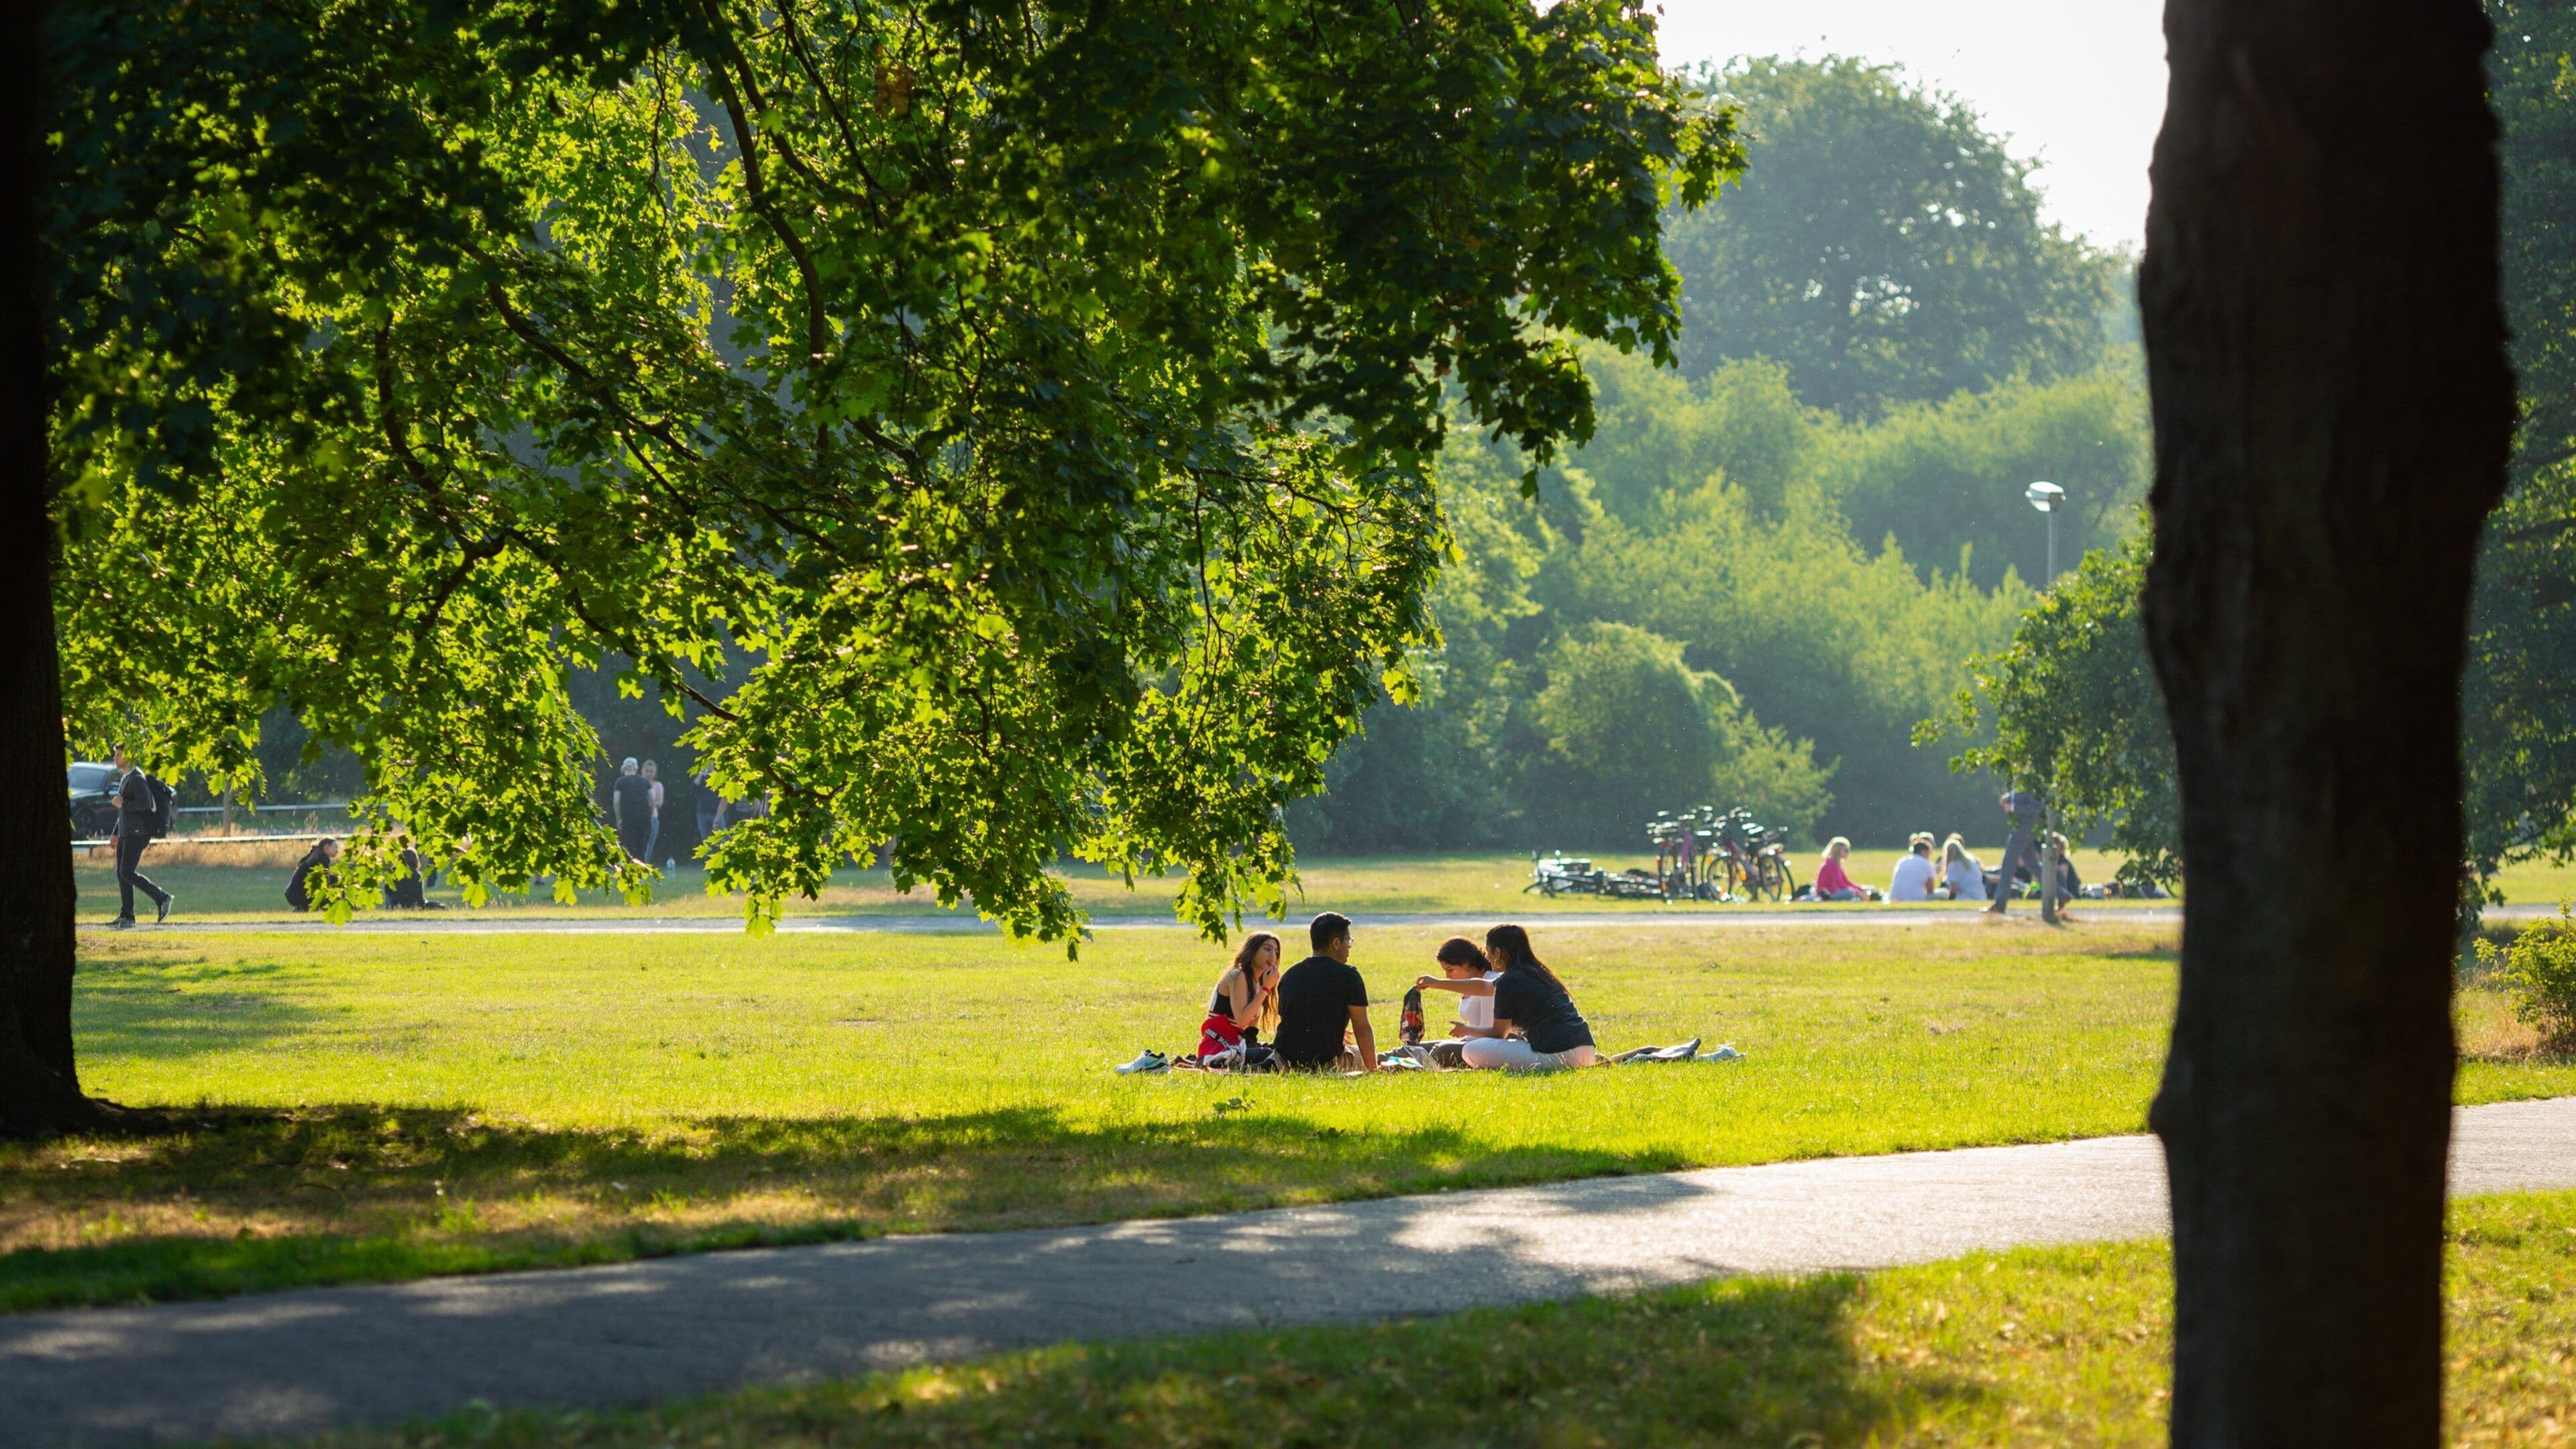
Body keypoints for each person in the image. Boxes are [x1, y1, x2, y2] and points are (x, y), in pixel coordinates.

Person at [1460, 924, 1595, 1070]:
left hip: (1556, 1054)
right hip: (1587, 1049)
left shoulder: (1509, 981)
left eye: (1488, 952)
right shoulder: (1537, 972)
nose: (1487, 957)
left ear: (1498, 952)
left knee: (1470, 1050)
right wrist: (1437, 983)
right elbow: (1483, 987)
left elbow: (1498, 1033)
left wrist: (1466, 1030)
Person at [1272, 912, 1376, 1072]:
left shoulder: (1289, 975)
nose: (1349, 946)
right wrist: (1373, 1069)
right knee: (1364, 1055)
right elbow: (1362, 1029)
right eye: (1348, 940)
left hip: (1284, 1063)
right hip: (1326, 1064)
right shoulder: (1349, 976)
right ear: (1336, 943)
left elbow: (1293, 1023)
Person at [1410, 936, 1505, 1069]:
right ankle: (1380, 1060)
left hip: (1485, 1048)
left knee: (1440, 1051)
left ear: (1466, 964)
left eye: (1450, 970)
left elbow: (1493, 1034)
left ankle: (1419, 1066)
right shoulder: (1466, 985)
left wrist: (1466, 1031)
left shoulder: (1490, 982)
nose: (1448, 977)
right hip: (1471, 1043)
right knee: (1414, 1049)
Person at [109, 747, 172, 927]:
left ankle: (162, 898)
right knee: (122, 874)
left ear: (128, 756)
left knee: (126, 872)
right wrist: (115, 833)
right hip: (126, 833)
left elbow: (144, 803)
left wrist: (123, 803)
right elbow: (124, 811)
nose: (115, 758)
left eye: (118, 755)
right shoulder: (126, 778)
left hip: (138, 833)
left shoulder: (136, 778)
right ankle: (127, 915)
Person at [1200, 931, 1283, 1061]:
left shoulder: (1260, 982)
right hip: (1220, 1048)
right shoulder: (1239, 976)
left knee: (1283, 1051)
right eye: (1267, 949)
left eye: (1276, 952)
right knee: (1273, 1056)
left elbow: (1250, 1030)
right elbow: (1242, 1020)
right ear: (1253, 951)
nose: (1272, 955)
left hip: (1239, 1044)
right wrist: (1266, 988)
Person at [1985, 786, 2045, 916]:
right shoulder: (2019, 774)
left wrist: (2012, 807)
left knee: (2007, 866)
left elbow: (2036, 806)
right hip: (2021, 829)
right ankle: (2061, 893)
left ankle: (2000, 904)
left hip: (2024, 830)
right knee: (2034, 867)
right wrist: (2008, 798)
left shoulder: (2030, 778)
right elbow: (2020, 796)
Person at [611, 758, 654, 864]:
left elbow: (616, 802)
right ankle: (640, 874)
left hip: (628, 818)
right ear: (636, 768)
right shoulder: (644, 781)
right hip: (644, 818)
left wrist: (618, 819)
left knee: (629, 848)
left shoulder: (620, 782)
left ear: (624, 768)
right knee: (641, 848)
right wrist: (650, 815)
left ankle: (630, 874)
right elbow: (652, 800)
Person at [286, 837, 341, 912]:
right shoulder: (320, 859)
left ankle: (303, 909)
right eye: (335, 847)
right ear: (327, 847)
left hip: (292, 894)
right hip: (298, 895)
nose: (337, 851)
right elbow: (326, 881)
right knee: (330, 888)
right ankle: (304, 909)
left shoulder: (315, 855)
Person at [1813, 837, 1870, 902]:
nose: (1848, 852)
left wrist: (1860, 888)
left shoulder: (1836, 864)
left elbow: (1846, 881)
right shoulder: (1831, 865)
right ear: (1838, 850)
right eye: (1846, 850)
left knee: (1868, 889)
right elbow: (1840, 884)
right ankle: (1827, 900)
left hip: (1834, 892)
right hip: (1827, 894)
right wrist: (1858, 892)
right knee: (1850, 893)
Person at [1887, 835, 1937, 902]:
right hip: (1916, 899)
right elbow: (1930, 891)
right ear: (1923, 852)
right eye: (1928, 853)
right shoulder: (1927, 864)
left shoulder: (1902, 860)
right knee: (1944, 893)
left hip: (1894, 898)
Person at [1942, 835, 1988, 902]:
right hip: (1982, 896)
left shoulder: (1953, 866)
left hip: (1966, 897)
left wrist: (1949, 901)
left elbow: (1954, 889)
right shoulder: (1971, 860)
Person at [641, 759, 667, 866]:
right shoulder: (639, 783)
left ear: (655, 772)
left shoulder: (658, 785)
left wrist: (650, 803)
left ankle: (644, 866)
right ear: (643, 771)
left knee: (649, 845)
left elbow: (660, 803)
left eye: (651, 771)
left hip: (653, 818)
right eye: (647, 771)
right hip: (640, 818)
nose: (649, 774)